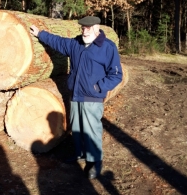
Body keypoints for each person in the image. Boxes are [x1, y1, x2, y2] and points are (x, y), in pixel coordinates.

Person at [30, 16, 123, 179]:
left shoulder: (107, 47)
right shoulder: (76, 44)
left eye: (88, 28)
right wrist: (40, 34)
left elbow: (116, 75)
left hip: (92, 97)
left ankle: (94, 162)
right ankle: (79, 153)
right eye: (82, 28)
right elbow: (58, 41)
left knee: (91, 130)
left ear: (96, 28)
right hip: (76, 95)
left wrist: (98, 87)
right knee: (77, 128)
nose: (84, 31)